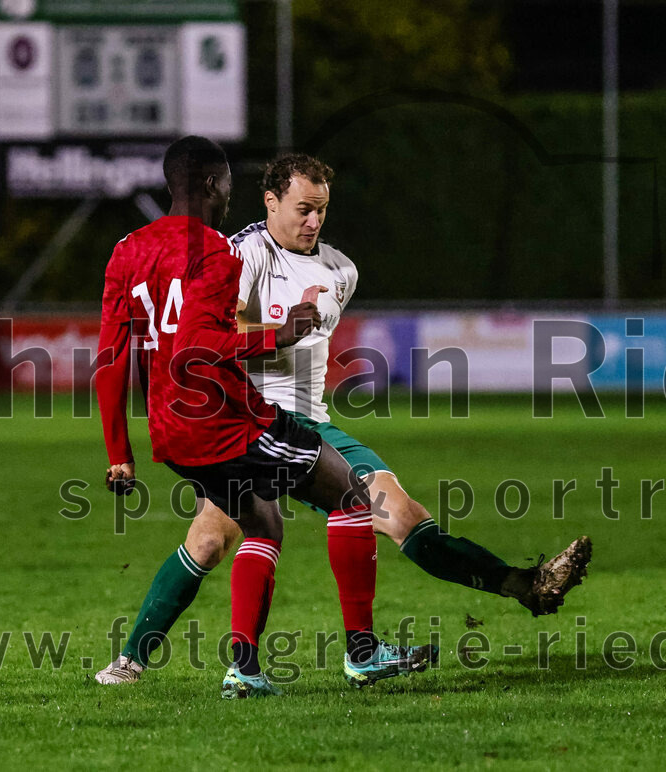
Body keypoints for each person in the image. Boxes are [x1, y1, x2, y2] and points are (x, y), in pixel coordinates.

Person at [94, 136, 433, 698]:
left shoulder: (127, 250)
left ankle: (188, 666)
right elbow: (201, 344)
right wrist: (281, 334)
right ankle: (361, 655)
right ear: (212, 184)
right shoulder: (218, 252)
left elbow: (110, 359)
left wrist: (118, 455)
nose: (232, 195)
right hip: (227, 418)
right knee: (351, 499)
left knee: (244, 530)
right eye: (228, 183)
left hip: (169, 430)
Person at [230, 153, 592, 667]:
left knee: (402, 516)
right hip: (251, 422)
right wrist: (281, 329)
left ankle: (523, 585)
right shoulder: (241, 255)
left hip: (309, 422)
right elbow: (216, 334)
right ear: (271, 201)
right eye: (303, 209)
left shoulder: (341, 270)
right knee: (213, 541)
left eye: (322, 210)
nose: (314, 221)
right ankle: (156, 662)